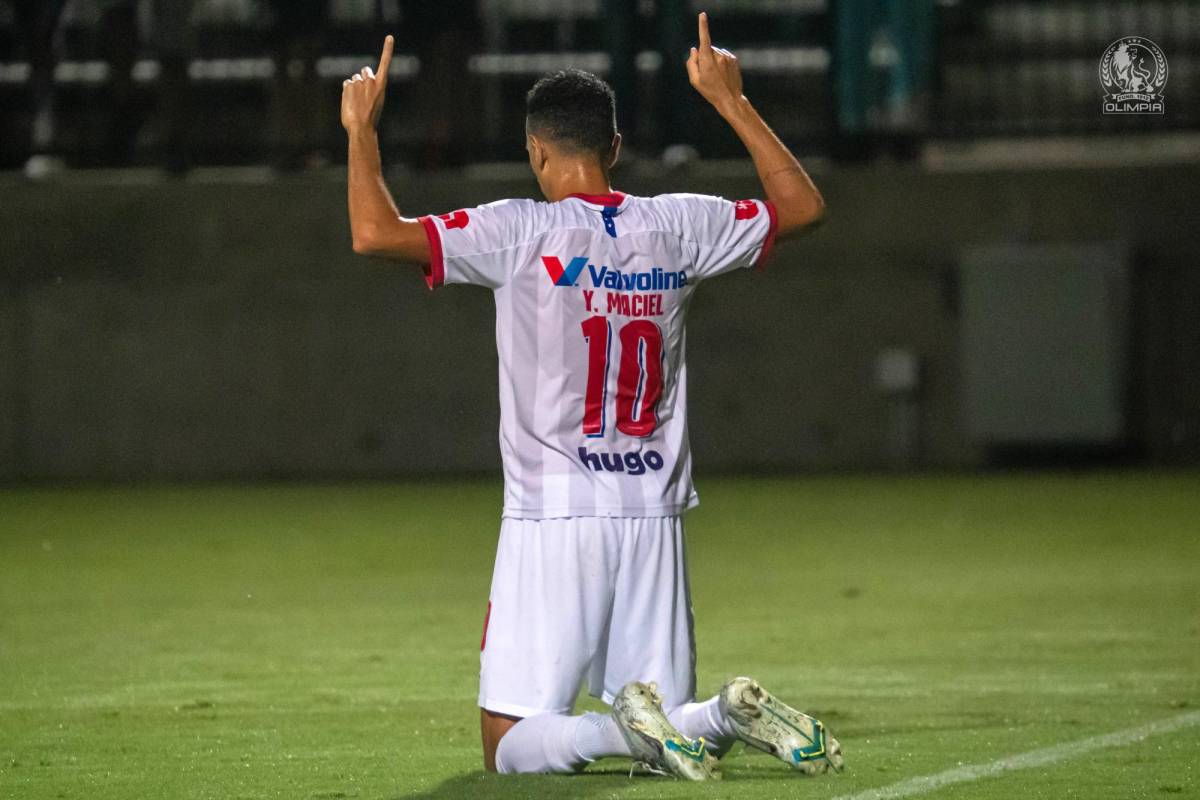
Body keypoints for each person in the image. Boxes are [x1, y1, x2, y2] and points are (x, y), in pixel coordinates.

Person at [342, 13, 841, 781]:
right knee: (673, 732)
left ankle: (620, 735)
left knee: (507, 747)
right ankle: (719, 715)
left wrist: (362, 129)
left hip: (553, 515)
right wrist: (730, 102)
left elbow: (375, 233)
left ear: (536, 150)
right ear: (614, 149)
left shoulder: (518, 231)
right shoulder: (678, 224)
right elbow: (802, 209)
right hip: (653, 516)